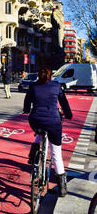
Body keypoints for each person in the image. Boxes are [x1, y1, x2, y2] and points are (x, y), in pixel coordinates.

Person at [23, 67, 73, 197]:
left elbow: (27, 101)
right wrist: (69, 115)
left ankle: (33, 155)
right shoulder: (56, 86)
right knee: (56, 153)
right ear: (51, 76)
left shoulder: (33, 86)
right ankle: (62, 188)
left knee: (39, 132)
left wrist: (26, 109)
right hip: (53, 122)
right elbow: (64, 102)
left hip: (36, 120)